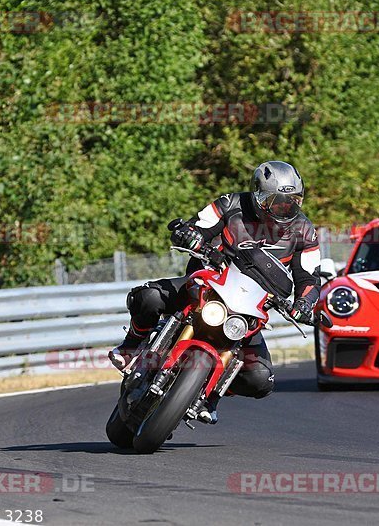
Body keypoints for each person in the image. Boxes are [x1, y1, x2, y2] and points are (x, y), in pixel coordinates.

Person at [108, 161, 322, 422]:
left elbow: (309, 276)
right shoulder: (230, 204)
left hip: (250, 307)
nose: (284, 208)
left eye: (292, 201)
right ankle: (130, 346)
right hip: (207, 284)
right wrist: (190, 235)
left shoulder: (305, 231)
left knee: (260, 380)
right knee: (148, 297)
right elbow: (196, 225)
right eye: (276, 201)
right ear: (258, 196)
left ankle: (209, 390)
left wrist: (304, 304)